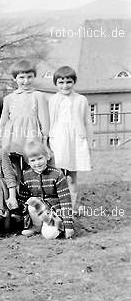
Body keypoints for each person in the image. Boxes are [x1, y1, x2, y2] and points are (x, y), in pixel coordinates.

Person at [47, 66, 92, 209]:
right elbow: (50, 121)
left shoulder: (81, 100)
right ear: (56, 83)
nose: (65, 85)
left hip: (75, 139)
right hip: (58, 138)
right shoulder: (53, 100)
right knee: (57, 174)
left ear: (74, 82)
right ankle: (57, 205)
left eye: (68, 82)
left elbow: (87, 121)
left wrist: (88, 140)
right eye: (61, 82)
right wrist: (48, 140)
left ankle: (72, 207)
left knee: (71, 176)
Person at [0, 60, 50, 177]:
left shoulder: (38, 96)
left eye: (29, 77)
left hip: (31, 135)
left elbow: (44, 119)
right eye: (22, 77)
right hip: (13, 136)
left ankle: (32, 190)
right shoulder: (9, 98)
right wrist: (0, 138)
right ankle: (17, 191)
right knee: (14, 165)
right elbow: (3, 120)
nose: (26, 81)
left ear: (34, 77)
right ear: (15, 78)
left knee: (32, 163)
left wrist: (44, 139)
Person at [18, 141, 74, 239]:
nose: (37, 163)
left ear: (47, 157)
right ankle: (36, 226)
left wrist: (68, 225)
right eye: (33, 160)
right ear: (27, 162)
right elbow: (23, 199)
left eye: (40, 158)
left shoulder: (57, 175)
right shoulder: (26, 176)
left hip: (54, 211)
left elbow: (66, 201)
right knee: (32, 202)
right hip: (37, 211)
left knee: (50, 235)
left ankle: (58, 226)